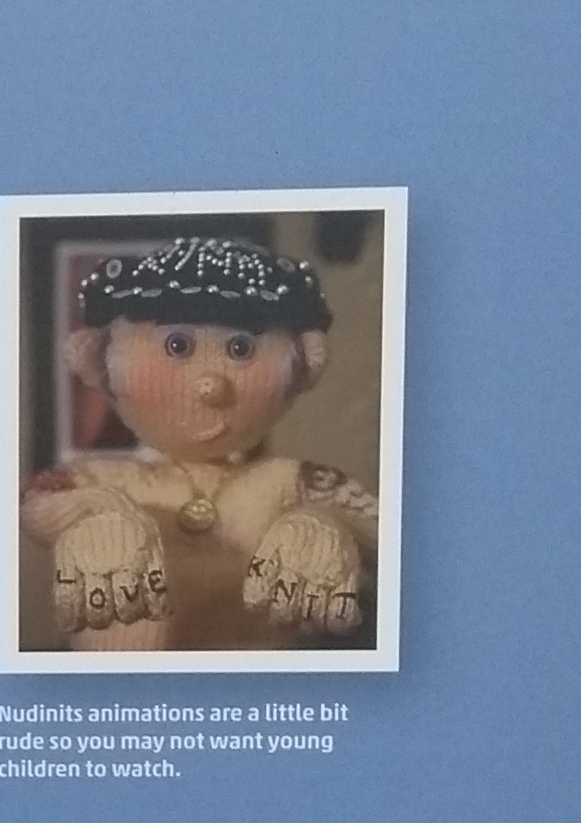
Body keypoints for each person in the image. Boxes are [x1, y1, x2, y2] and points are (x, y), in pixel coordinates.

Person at [22, 237, 377, 653]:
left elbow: (385, 533)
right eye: (178, 346)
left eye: (241, 349)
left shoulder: (290, 482)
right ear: (103, 361)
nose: (211, 385)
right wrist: (92, 515)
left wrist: (326, 527)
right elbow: (35, 503)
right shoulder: (101, 480)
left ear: (301, 366)